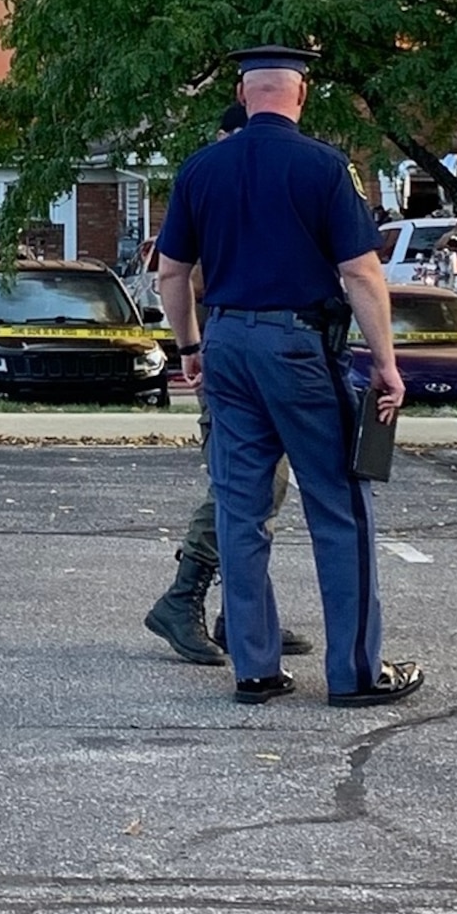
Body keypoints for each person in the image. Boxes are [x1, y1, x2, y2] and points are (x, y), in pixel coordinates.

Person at [154, 47, 418, 706]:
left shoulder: (201, 168)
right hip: (299, 347)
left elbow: (170, 273)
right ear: (299, 95)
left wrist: (190, 344)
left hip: (226, 345)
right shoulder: (325, 167)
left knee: (241, 512)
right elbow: (360, 273)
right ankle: (356, 673)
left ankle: (255, 669)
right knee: (339, 507)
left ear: (244, 96)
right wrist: (385, 361)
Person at [144, 106, 303, 666]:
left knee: (265, 488)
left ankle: (243, 616)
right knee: (239, 490)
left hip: (255, 357)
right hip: (227, 361)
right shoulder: (214, 186)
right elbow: (174, 272)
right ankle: (181, 600)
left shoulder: (234, 185)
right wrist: (190, 347)